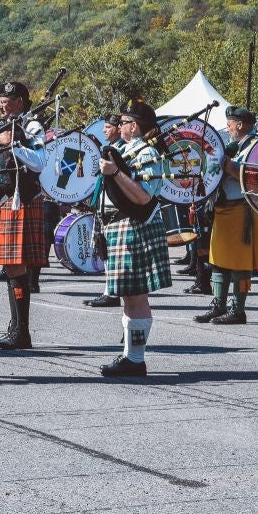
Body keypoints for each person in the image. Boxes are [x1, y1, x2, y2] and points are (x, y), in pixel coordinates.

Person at [98, 99, 171, 377]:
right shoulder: (125, 150)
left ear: (135, 127)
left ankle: (135, 359)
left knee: (135, 294)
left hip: (134, 227)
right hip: (119, 226)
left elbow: (143, 196)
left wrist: (116, 172)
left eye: (124, 122)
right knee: (129, 295)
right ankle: (131, 355)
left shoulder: (147, 153)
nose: (120, 126)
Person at [195, 106, 258, 325]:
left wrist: (229, 167)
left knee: (239, 263)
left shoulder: (256, 146)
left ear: (240, 125)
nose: (228, 129)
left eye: (230, 124)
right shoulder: (231, 146)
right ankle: (218, 306)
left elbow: (255, 176)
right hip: (223, 207)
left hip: (242, 208)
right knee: (218, 260)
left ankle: (238, 310)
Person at [0, 81, 48, 350]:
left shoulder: (32, 127)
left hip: (21, 200)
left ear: (20, 101)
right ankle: (16, 327)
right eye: (0, 99)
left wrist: (12, 145)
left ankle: (21, 331)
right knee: (11, 267)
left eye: (7, 99)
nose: (1, 104)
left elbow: (39, 162)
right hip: (4, 199)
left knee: (16, 266)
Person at [83, 113, 124, 308]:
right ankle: (109, 291)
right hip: (103, 203)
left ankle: (113, 292)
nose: (104, 130)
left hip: (114, 207)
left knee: (111, 251)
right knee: (104, 249)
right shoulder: (108, 149)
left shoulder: (121, 150)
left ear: (118, 128)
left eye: (108, 127)